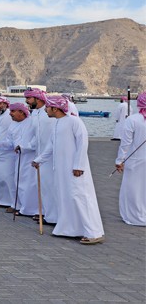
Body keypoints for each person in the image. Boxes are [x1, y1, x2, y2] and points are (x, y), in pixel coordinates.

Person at [32, 95, 104, 244]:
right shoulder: (57, 124)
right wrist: (38, 160)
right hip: (61, 170)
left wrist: (78, 165)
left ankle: (93, 232)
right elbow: (51, 147)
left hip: (75, 169)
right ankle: (69, 229)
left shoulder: (74, 121)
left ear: (55, 108)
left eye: (47, 107)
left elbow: (83, 144)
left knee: (79, 197)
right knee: (64, 197)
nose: (45, 110)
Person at [0, 102, 39, 216]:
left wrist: (25, 148)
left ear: (21, 112)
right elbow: (10, 142)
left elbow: (38, 140)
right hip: (18, 158)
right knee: (19, 182)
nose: (10, 114)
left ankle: (32, 210)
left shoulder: (33, 122)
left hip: (31, 158)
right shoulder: (13, 125)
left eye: (12, 111)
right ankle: (21, 207)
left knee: (30, 184)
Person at [25, 88, 58, 225]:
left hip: (52, 157)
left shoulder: (50, 113)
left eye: (29, 98)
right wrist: (24, 146)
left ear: (38, 99)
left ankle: (53, 217)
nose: (26, 101)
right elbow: (36, 137)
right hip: (39, 156)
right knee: (43, 186)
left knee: (51, 187)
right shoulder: (35, 114)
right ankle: (45, 212)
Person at [114, 91, 146, 226]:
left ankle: (134, 216)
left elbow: (125, 143)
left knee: (132, 188)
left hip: (135, 160)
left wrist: (119, 160)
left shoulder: (132, 120)